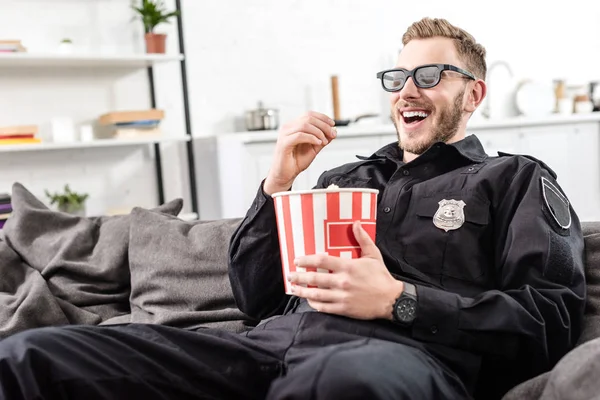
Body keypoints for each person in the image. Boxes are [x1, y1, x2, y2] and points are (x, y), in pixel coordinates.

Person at [0, 17, 585, 400]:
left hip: (398, 359)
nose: (408, 89)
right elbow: (258, 298)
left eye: (430, 75)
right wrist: (277, 185)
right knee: (29, 354)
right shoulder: (345, 177)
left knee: (334, 384)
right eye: (398, 76)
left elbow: (552, 321)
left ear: (473, 94)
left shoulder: (515, 180)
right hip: (263, 347)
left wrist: (399, 301)